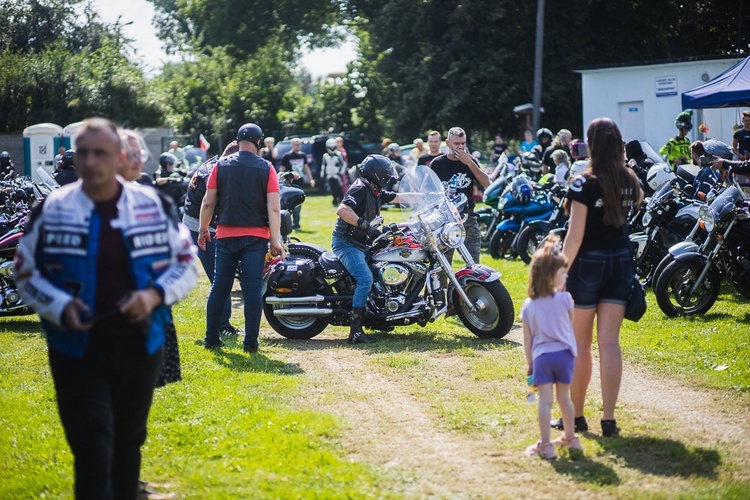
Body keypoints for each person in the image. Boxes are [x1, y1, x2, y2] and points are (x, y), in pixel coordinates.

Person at [15, 117, 197, 499]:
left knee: (129, 442)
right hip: (75, 347)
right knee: (92, 444)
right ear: (74, 159)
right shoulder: (51, 209)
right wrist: (60, 306)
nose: (92, 161)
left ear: (118, 158)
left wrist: (154, 296)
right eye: (84, 153)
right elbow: (25, 273)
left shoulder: (152, 204)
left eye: (101, 153)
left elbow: (184, 263)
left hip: (140, 343)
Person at [558, 117, 642, 437]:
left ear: (591, 145)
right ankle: (608, 419)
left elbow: (574, 236)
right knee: (609, 344)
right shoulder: (629, 179)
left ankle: (577, 418)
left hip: (588, 265)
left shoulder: (583, 182)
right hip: (620, 262)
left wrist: (560, 271)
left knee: (580, 343)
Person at [198, 123, 284, 353]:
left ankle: (211, 339)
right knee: (252, 289)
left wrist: (203, 230)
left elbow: (208, 201)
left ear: (237, 141)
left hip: (225, 234)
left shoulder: (220, 165)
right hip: (256, 238)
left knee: (220, 287)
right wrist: (275, 240)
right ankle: (251, 343)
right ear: (258, 143)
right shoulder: (267, 168)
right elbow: (274, 208)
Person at [332, 154, 412, 344]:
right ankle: (356, 331)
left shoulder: (375, 190)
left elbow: (399, 197)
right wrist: (367, 228)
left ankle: (378, 319)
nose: (388, 178)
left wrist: (430, 197)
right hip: (347, 243)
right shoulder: (360, 188)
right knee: (365, 279)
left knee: (380, 274)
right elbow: (342, 210)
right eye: (386, 175)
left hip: (362, 243)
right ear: (377, 174)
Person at [522, 236, 582, 459]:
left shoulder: (529, 306)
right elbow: (570, 321)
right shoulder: (566, 299)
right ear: (550, 277)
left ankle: (546, 445)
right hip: (566, 356)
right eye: (563, 273)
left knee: (545, 401)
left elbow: (528, 340)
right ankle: (570, 437)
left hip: (543, 358)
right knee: (564, 399)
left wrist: (530, 364)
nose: (566, 276)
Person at [183, 141, 241, 338]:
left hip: (197, 226)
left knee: (221, 276)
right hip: (202, 229)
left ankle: (221, 323)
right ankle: (222, 325)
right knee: (221, 278)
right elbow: (211, 204)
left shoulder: (214, 163)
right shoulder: (215, 174)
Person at [280, 137, 315, 230]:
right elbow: (282, 170)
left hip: (300, 182)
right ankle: (287, 223)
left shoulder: (303, 155)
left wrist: (311, 179)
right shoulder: (287, 156)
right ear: (292, 145)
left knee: (298, 204)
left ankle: (296, 224)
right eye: (296, 144)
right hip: (289, 184)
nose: (298, 146)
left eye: (299, 144)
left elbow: (306, 168)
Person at [321, 137, 347, 205]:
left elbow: (344, 164)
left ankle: (341, 200)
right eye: (330, 147)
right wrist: (323, 174)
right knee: (332, 188)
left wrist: (341, 173)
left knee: (339, 188)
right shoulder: (325, 156)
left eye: (333, 147)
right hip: (329, 174)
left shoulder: (338, 154)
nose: (332, 148)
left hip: (337, 174)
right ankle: (335, 200)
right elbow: (323, 165)